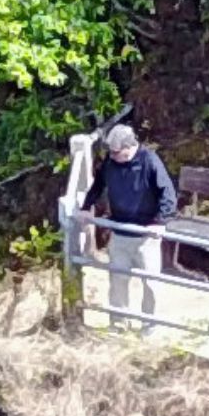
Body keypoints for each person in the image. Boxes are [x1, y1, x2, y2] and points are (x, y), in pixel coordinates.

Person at [77, 125, 177, 329]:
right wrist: (87, 207)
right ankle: (119, 324)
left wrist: (160, 222)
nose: (112, 156)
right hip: (120, 233)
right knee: (117, 281)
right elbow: (98, 185)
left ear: (129, 147)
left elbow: (167, 192)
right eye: (110, 153)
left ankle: (150, 325)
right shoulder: (110, 162)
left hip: (145, 236)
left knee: (150, 283)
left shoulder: (149, 161)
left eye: (116, 152)